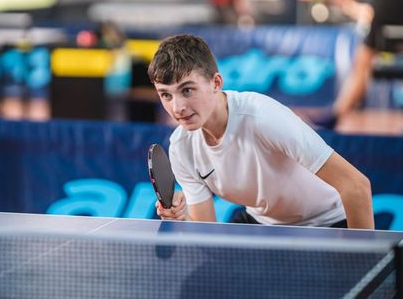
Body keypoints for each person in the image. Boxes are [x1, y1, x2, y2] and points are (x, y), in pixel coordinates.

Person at [148, 34, 374, 229]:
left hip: (326, 222)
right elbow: (205, 235)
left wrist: (363, 260)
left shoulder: (262, 117)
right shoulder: (182, 147)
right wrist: (182, 218)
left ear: (216, 83)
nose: (177, 108)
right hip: (264, 225)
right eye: (166, 95)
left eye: (187, 90)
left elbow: (356, 185)